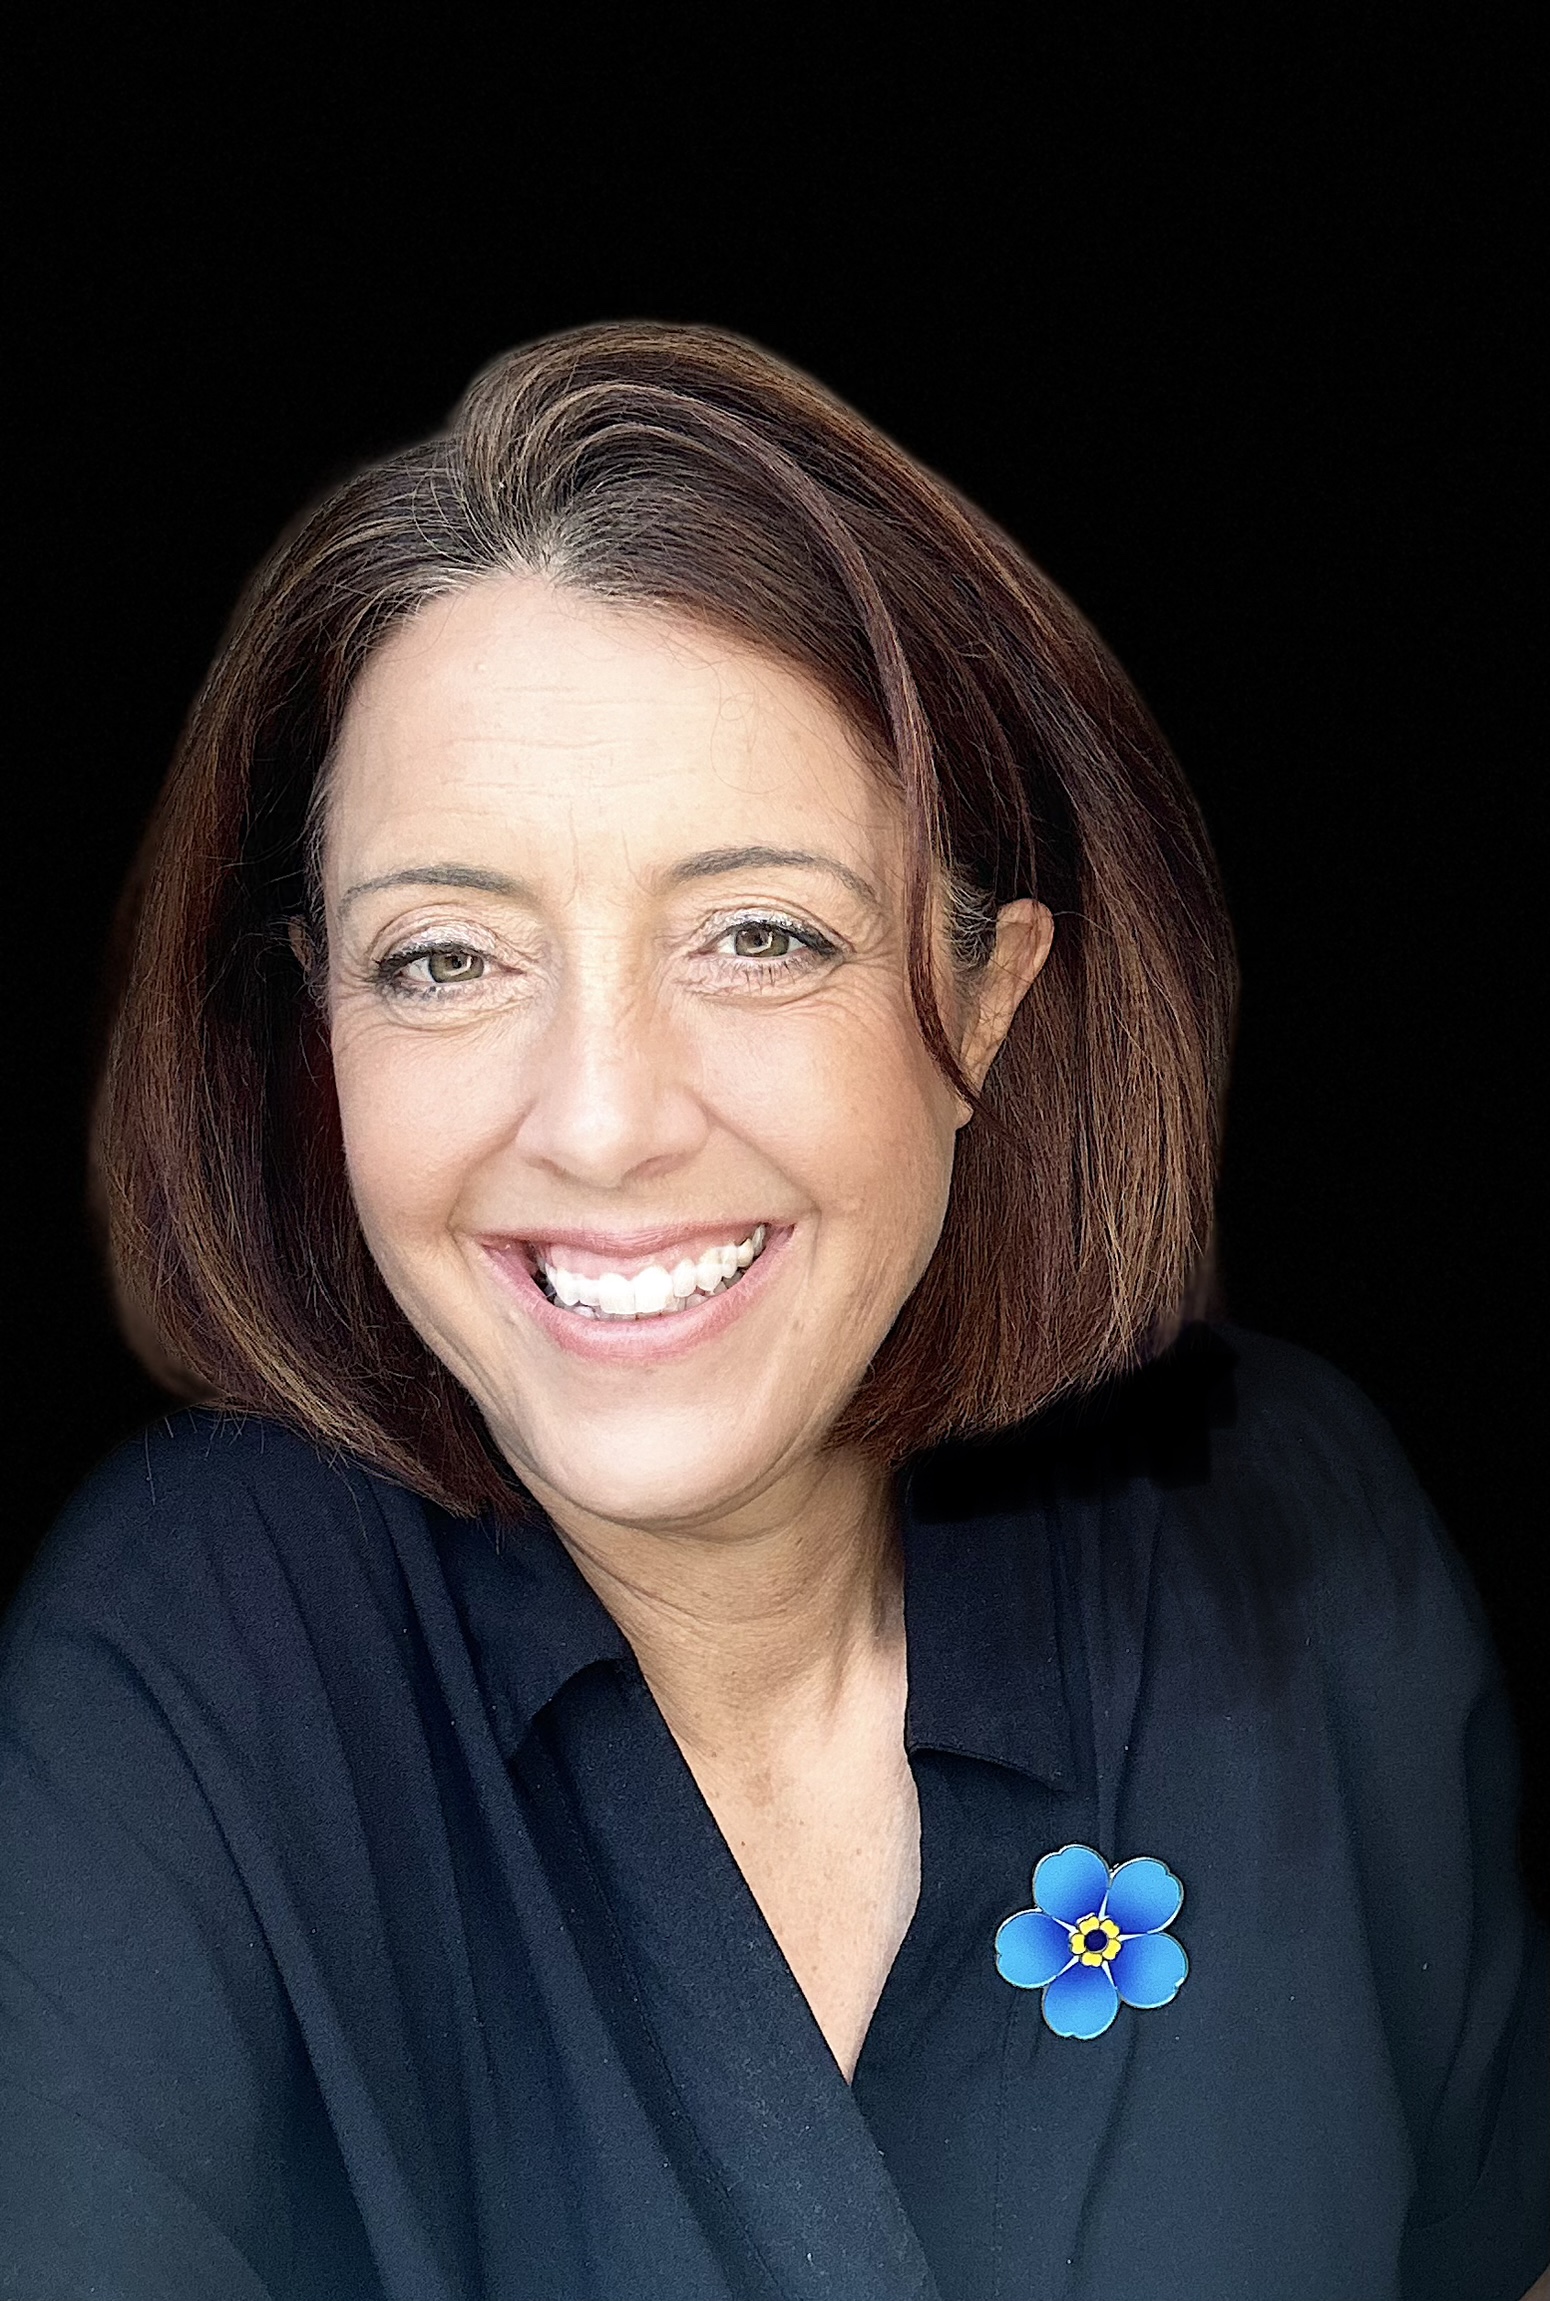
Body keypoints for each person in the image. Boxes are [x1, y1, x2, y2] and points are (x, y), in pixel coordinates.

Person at [0, 322, 1543, 2301]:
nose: (604, 1117)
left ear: (988, 1001)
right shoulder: (184, 1666)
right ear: (318, 1025)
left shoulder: (1293, 1533)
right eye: (446, 954)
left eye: (758, 934)